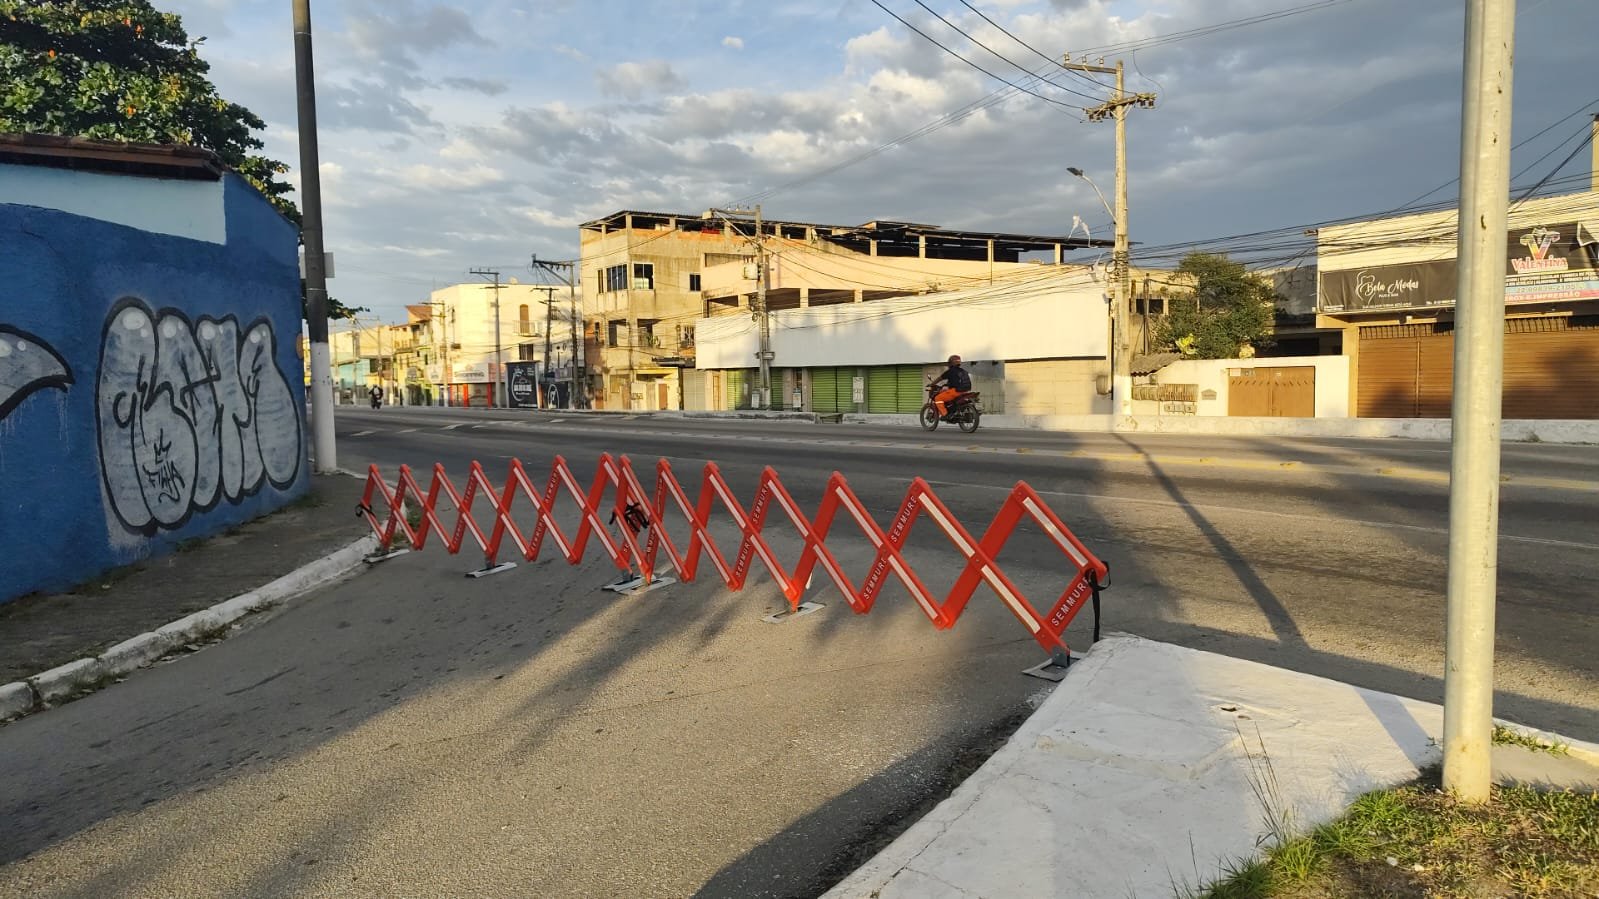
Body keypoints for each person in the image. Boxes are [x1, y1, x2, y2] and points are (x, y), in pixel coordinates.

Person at [930, 354, 971, 419]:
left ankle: (945, 414)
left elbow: (939, 378)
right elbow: (955, 380)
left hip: (956, 391)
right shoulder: (963, 371)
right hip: (965, 391)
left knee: (938, 398)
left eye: (949, 363)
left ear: (951, 363)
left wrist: (932, 384)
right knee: (947, 393)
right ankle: (951, 411)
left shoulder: (950, 371)